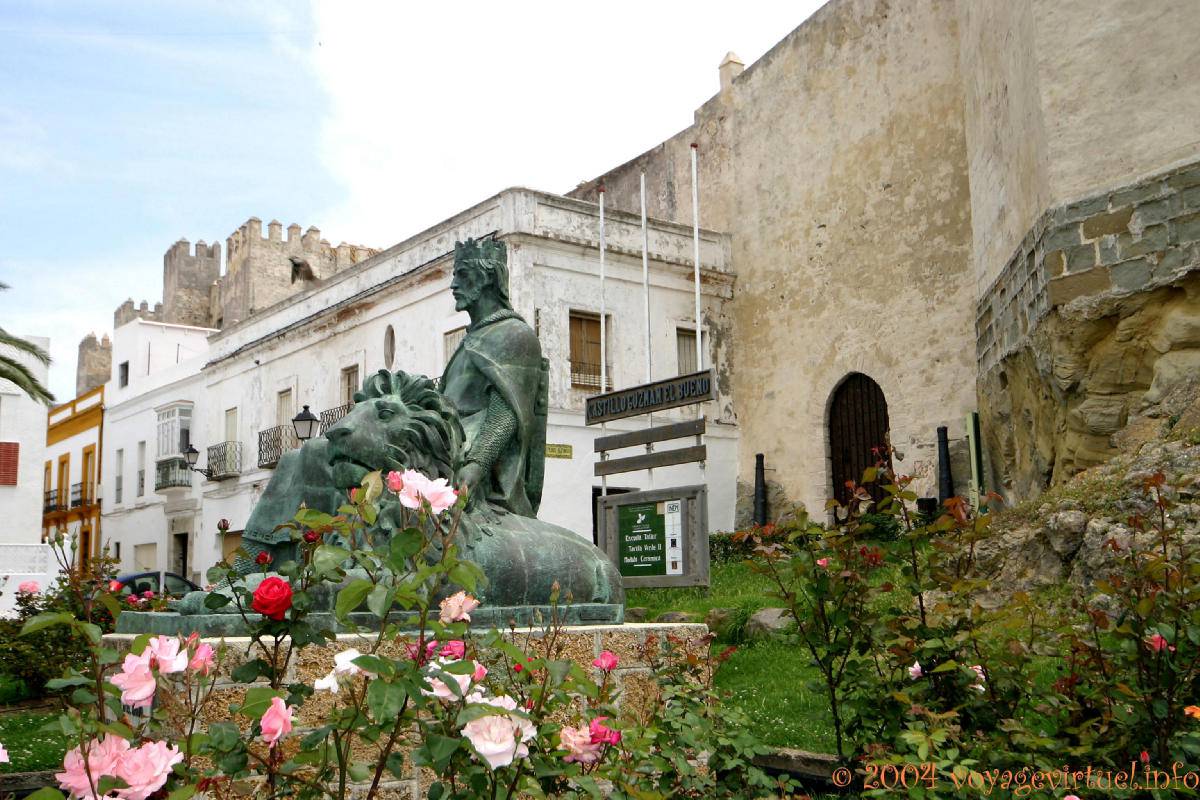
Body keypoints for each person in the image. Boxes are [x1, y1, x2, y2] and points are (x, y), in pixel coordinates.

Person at [441, 237, 547, 517]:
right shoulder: (471, 340)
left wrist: (477, 463)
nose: (453, 285)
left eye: (462, 274)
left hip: (471, 465)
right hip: (446, 447)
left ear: (487, 278)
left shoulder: (515, 335)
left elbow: (508, 412)